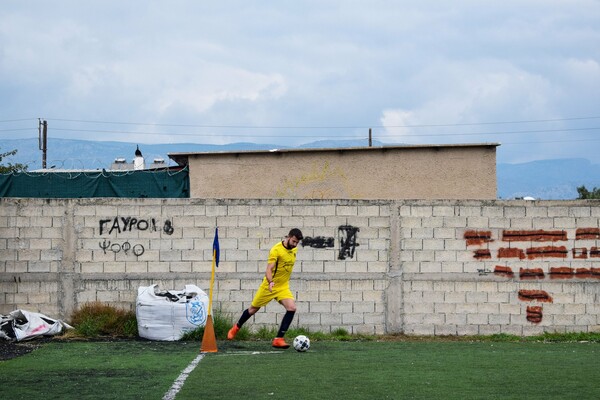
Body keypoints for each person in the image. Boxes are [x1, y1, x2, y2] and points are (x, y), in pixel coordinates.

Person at [227, 228, 304, 348]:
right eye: (293, 241)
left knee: (292, 308)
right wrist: (270, 282)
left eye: (297, 243)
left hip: (283, 286)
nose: (295, 244)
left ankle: (278, 339)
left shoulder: (294, 249)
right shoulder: (276, 250)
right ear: (288, 237)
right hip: (269, 286)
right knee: (253, 309)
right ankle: (236, 327)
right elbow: (269, 269)